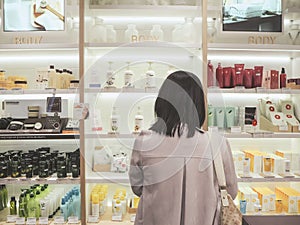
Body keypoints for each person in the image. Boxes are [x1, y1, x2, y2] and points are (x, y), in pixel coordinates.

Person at [129, 70, 238, 225]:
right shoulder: (217, 143)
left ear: (162, 102)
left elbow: (138, 188)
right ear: (199, 104)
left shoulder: (144, 142)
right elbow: (230, 192)